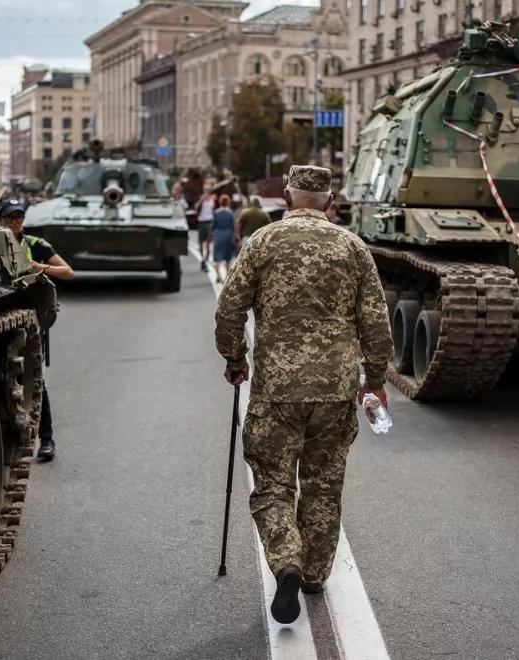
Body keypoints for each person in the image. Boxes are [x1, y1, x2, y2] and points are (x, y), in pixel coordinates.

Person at [214, 165, 394, 624]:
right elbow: (376, 322)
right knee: (323, 484)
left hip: (276, 390)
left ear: (288, 200)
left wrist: (236, 359)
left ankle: (286, 562)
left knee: (273, 485)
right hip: (334, 393)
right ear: (330, 202)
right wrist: (373, 381)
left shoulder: (263, 243)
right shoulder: (353, 247)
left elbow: (230, 309)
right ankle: (313, 573)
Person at [0, 202, 75, 461]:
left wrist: (37, 267)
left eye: (19, 217)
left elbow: (67, 272)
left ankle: (47, 438)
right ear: (0, 219)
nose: (15, 222)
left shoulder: (34, 244)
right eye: (10, 218)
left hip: (29, 323)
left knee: (35, 380)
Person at [210, 194, 236, 282]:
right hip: (228, 235)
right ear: (228, 202)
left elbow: (213, 226)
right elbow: (233, 226)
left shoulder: (216, 213)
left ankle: (218, 276)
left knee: (217, 258)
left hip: (218, 235)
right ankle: (226, 277)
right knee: (228, 258)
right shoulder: (230, 213)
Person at [196, 181, 218, 271]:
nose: (206, 191)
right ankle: (202, 259)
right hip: (201, 222)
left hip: (210, 222)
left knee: (209, 244)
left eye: (208, 189)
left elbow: (216, 209)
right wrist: (202, 200)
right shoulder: (201, 198)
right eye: (205, 189)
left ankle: (205, 261)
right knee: (201, 243)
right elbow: (196, 207)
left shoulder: (213, 198)